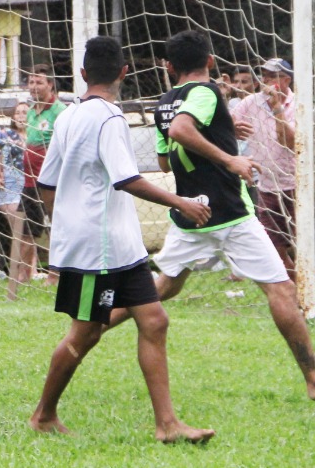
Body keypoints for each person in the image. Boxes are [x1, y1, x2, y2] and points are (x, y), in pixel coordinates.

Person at [28, 36, 215, 443]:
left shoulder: (67, 117)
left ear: (82, 75)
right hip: (98, 248)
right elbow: (126, 179)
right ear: (124, 72)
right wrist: (179, 201)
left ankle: (168, 425)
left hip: (118, 244)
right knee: (86, 333)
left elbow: (46, 184)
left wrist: (63, 223)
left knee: (154, 319)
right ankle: (43, 415)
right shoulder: (111, 118)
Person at [108, 33, 315, 399]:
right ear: (211, 61)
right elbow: (182, 130)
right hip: (228, 211)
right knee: (280, 289)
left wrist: (220, 131)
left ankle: (91, 328)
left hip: (190, 213)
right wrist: (229, 157)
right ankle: (313, 380)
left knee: (163, 288)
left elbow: (164, 156)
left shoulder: (165, 103)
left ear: (168, 67)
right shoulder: (205, 93)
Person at [228, 57, 296, 280]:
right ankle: (299, 294)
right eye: (264, 75)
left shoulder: (299, 104)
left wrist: (277, 109)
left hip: (298, 187)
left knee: (304, 246)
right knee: (274, 248)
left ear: (286, 80)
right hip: (267, 187)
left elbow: (290, 142)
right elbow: (225, 123)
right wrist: (232, 127)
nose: (266, 80)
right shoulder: (251, 102)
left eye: (273, 76)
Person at [0, 102, 34, 300]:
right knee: (19, 230)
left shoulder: (36, 136)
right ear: (12, 116)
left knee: (31, 231)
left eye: (25, 112)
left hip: (31, 186)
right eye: (18, 112)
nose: (21, 115)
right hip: (11, 187)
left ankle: (29, 272)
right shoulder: (5, 135)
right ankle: (19, 273)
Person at [21, 65, 66, 279]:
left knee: (57, 226)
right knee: (26, 229)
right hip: (30, 181)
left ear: (50, 84)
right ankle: (22, 275)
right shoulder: (30, 111)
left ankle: (55, 274)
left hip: (51, 180)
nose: (34, 86)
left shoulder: (60, 111)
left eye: (39, 82)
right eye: (30, 82)